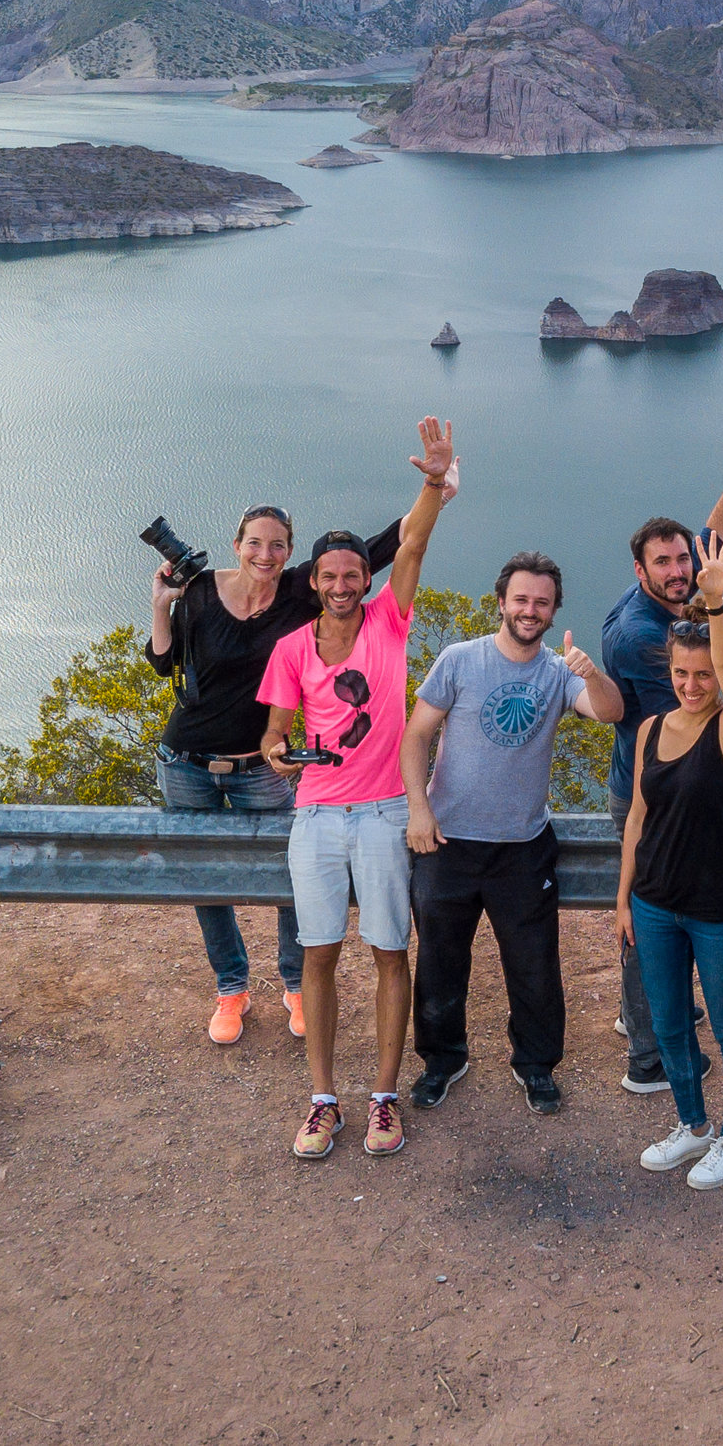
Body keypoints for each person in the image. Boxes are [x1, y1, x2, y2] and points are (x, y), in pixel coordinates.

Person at [258, 417, 456, 1162]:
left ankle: (381, 1098)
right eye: (330, 577)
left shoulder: (389, 623)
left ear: (364, 580)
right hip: (315, 816)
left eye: (352, 575)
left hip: (381, 814)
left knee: (387, 952)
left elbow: (414, 544)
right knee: (316, 954)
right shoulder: (289, 649)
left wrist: (433, 484)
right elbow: (277, 729)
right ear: (313, 584)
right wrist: (279, 753)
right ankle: (320, 1100)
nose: (343, 586)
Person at [147, 506, 400, 1046]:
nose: (266, 555)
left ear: (291, 552)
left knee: (294, 877)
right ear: (237, 544)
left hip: (260, 766)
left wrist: (434, 496)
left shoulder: (298, 593)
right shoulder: (198, 590)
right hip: (186, 762)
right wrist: (160, 605)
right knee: (208, 882)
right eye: (256, 543)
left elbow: (372, 551)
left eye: (278, 545)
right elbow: (163, 664)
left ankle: (295, 984)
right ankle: (231, 987)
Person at [402, 551, 625, 1116]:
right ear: (501, 602)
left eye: (542, 603)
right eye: (521, 600)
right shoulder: (459, 660)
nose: (530, 610)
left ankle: (536, 1067)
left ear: (553, 612)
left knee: (534, 966)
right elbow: (416, 736)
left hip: (523, 847)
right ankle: (442, 1060)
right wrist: (419, 810)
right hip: (447, 842)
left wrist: (591, 673)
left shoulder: (557, 672)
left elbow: (609, 712)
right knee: (439, 961)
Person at [602, 405, 723, 1094]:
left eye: (683, 560)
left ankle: (654, 1012)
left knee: (660, 916)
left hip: (671, 783)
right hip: (650, 789)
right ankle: (647, 1054)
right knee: (647, 917)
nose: (680, 570)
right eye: (664, 563)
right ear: (639, 570)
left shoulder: (677, 593)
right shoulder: (644, 637)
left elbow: (715, 536)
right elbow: (704, 714)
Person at [616, 531, 723, 1191]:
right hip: (654, 904)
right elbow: (638, 822)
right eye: (680, 674)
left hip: (720, 908)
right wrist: (623, 900)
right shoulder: (650, 730)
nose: (692, 684)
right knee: (671, 1025)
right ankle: (693, 1125)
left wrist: (717, 604)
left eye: (703, 674)